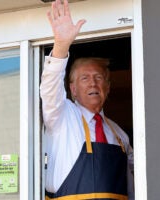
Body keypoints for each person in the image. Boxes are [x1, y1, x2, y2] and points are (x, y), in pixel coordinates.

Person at [40, 0, 134, 199]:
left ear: (107, 87)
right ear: (72, 89)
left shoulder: (120, 135)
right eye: (85, 78)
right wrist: (61, 46)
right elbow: (49, 90)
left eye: (98, 78)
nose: (93, 83)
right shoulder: (62, 117)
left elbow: (133, 188)